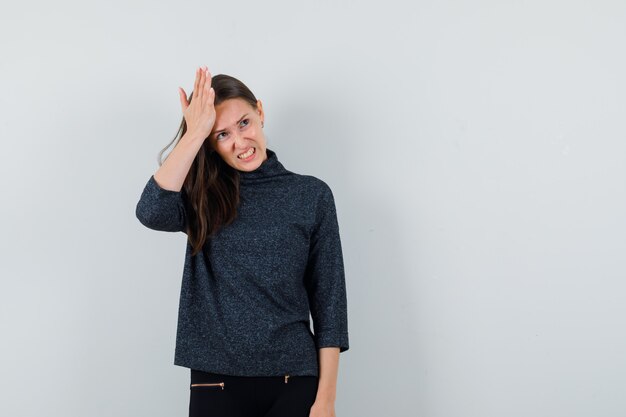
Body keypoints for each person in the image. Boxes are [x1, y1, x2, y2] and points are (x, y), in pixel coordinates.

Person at [135, 66, 349, 417]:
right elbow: (150, 211)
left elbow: (330, 303)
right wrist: (193, 134)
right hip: (216, 381)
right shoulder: (202, 195)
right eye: (221, 135)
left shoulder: (311, 195)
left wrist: (326, 400)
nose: (239, 142)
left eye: (244, 123)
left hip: (293, 380)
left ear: (260, 112)